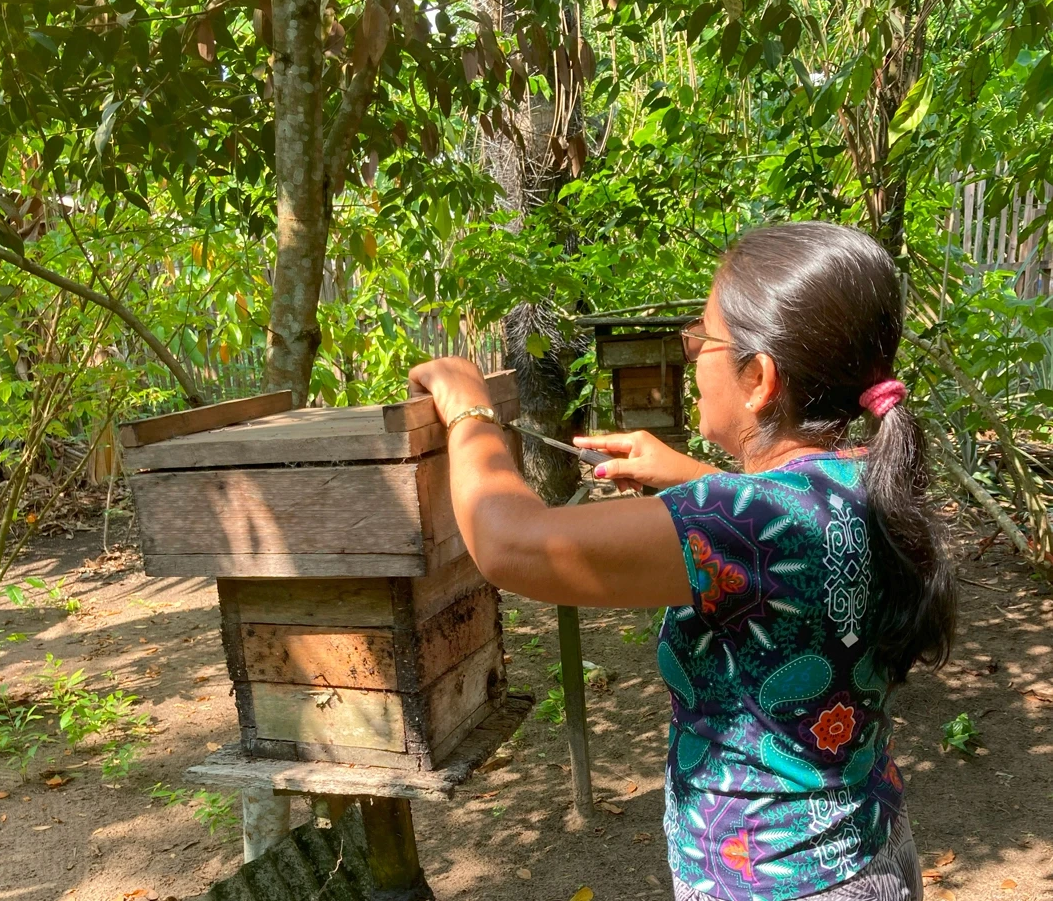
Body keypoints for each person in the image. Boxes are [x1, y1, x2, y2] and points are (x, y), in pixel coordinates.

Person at [408, 221, 956, 901]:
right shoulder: (867, 474)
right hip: (871, 849)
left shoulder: (736, 523)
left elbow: (510, 543)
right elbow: (785, 536)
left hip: (775, 884)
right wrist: (689, 480)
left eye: (703, 335)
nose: (691, 350)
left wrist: (470, 414)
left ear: (757, 378)